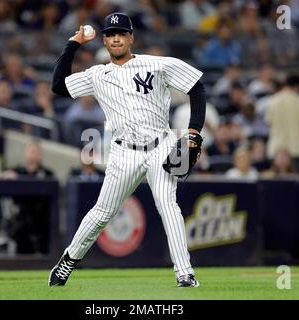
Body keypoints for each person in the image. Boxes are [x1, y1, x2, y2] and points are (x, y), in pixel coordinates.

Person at [49, 13, 206, 288]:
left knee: (168, 206)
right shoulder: (98, 74)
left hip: (161, 145)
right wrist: (74, 43)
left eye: (121, 33)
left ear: (131, 37)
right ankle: (68, 261)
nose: (116, 38)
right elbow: (58, 86)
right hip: (123, 152)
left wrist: (193, 131)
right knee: (102, 213)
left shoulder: (157, 64)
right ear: (106, 40)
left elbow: (196, 87)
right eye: (110, 34)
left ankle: (185, 273)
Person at [265, 73, 299, 159]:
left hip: (276, 148)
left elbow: (269, 123)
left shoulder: (272, 101)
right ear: (297, 86)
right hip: (296, 148)